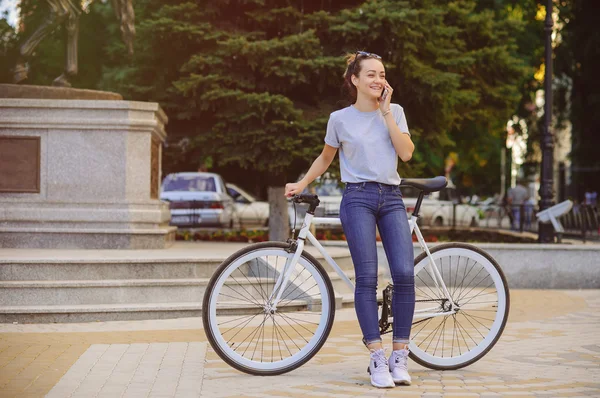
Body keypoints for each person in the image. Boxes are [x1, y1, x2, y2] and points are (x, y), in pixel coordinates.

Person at [285, 51, 415, 388]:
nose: (378, 80)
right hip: (357, 197)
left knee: (404, 273)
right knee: (367, 276)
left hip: (392, 197)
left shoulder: (395, 112)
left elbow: (406, 153)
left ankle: (399, 355)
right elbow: (326, 157)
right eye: (370, 74)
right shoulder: (339, 119)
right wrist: (302, 183)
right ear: (354, 80)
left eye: (382, 74)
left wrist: (386, 112)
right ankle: (376, 356)